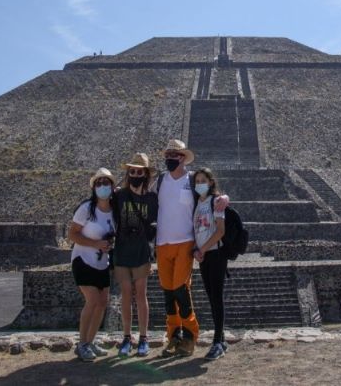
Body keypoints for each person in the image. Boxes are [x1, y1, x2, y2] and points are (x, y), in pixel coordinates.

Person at [154, 139, 229, 357]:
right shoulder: (159, 180)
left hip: (185, 242)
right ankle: (173, 335)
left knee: (181, 289)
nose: (170, 159)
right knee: (168, 293)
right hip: (162, 243)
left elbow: (211, 195)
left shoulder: (192, 180)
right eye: (168, 155)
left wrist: (224, 197)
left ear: (183, 158)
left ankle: (190, 335)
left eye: (174, 155)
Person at [112, 153, 158, 358]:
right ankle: (126, 336)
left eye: (139, 171)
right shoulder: (119, 196)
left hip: (141, 251)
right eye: (132, 171)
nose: (135, 174)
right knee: (125, 295)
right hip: (122, 251)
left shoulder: (151, 199)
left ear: (146, 174)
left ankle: (143, 337)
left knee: (140, 295)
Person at [69, 167, 117, 362]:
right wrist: (95, 244)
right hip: (83, 260)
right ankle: (82, 344)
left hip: (101, 262)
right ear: (94, 187)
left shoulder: (114, 211)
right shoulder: (86, 209)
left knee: (102, 303)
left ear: (112, 186)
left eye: (106, 183)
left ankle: (90, 340)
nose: (102, 186)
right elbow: (72, 234)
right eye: (99, 183)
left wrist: (107, 245)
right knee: (93, 300)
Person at [192, 168, 228, 360]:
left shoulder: (216, 202)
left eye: (202, 180)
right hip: (204, 256)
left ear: (210, 182)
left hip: (215, 254)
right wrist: (198, 251)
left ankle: (216, 343)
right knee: (212, 297)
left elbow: (220, 231)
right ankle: (221, 340)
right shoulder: (197, 202)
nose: (199, 184)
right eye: (197, 180)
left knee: (217, 298)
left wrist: (203, 249)